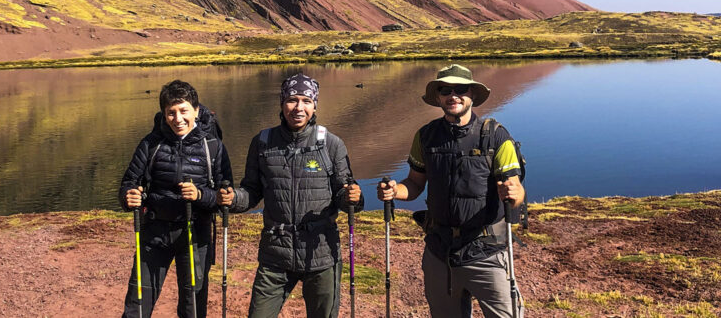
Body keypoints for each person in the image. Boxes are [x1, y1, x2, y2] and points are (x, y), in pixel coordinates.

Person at [376, 64, 526, 318]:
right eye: (445, 89)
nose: (453, 95)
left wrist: (514, 194)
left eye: (460, 89)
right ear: (438, 97)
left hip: (486, 251)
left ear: (472, 95)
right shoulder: (426, 136)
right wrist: (394, 191)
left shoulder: (495, 136)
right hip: (439, 251)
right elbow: (414, 184)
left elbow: (517, 192)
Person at [217, 73, 363, 318]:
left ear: (315, 105)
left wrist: (353, 198)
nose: (299, 107)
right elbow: (252, 192)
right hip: (275, 254)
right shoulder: (262, 142)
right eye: (292, 100)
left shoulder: (331, 144)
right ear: (282, 103)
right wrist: (233, 200)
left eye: (306, 101)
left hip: (321, 254)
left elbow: (344, 194)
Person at [119, 80, 233, 318]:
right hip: (154, 234)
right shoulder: (151, 144)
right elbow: (129, 182)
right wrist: (128, 197)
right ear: (164, 113)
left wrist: (200, 195)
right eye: (171, 112)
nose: (177, 118)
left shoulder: (213, 147)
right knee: (137, 307)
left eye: (184, 111)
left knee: (192, 309)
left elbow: (225, 196)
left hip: (195, 235)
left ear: (196, 111)